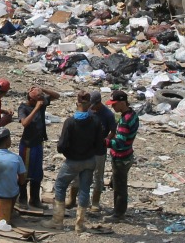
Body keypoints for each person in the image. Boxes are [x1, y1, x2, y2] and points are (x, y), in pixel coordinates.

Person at [47, 92, 100, 232]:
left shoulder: (70, 122)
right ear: (89, 105)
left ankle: (57, 221)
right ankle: (79, 224)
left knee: (60, 185)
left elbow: (61, 145)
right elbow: (100, 144)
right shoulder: (95, 121)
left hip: (73, 161)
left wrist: (69, 154)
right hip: (89, 160)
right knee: (84, 189)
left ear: (77, 104)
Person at [17, 85, 60, 210]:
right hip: (27, 145)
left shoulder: (41, 103)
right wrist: (36, 108)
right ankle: (23, 199)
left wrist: (43, 90)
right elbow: (24, 123)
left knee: (37, 173)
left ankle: (35, 200)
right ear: (31, 100)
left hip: (38, 143)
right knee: (24, 173)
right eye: (38, 99)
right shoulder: (24, 107)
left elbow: (56, 96)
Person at [108, 89, 139, 221]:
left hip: (121, 157)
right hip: (127, 155)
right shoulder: (132, 114)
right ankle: (119, 209)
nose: (112, 106)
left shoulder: (126, 120)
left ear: (122, 102)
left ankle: (118, 214)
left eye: (114, 104)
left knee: (119, 187)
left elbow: (119, 142)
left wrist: (105, 142)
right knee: (116, 183)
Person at [88, 91, 117, 214]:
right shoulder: (88, 111)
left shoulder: (108, 115)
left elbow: (113, 131)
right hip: (87, 148)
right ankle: (76, 199)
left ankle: (95, 202)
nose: (92, 108)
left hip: (99, 149)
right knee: (82, 173)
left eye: (94, 106)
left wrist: (107, 140)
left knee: (98, 176)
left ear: (99, 103)